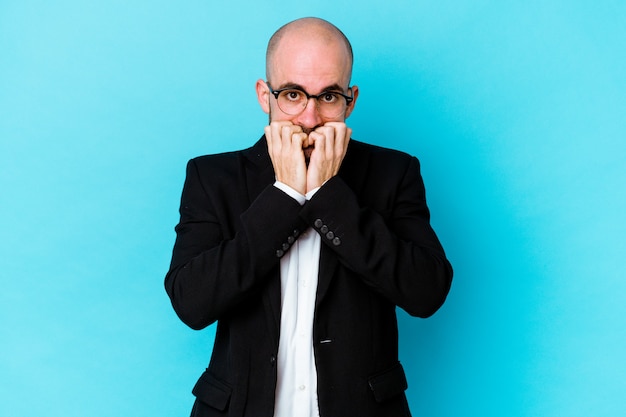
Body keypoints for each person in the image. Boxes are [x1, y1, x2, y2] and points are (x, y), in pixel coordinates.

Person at [165, 17, 453, 417]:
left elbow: (426, 292)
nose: (310, 118)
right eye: (294, 94)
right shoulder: (213, 178)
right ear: (265, 96)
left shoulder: (394, 173)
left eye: (329, 97)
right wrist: (286, 195)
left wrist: (326, 194)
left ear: (351, 100)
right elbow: (191, 303)